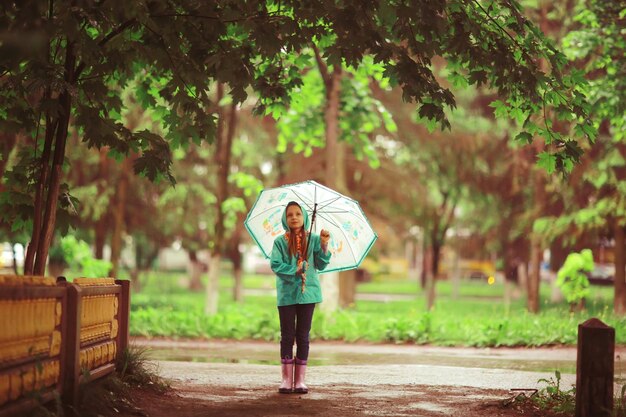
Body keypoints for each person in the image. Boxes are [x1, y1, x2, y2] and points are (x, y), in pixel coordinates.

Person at [270, 201, 331, 394]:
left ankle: (300, 380)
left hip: (308, 293)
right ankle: (287, 379)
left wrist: (323, 244)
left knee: (303, 336)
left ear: (304, 217)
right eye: (290, 215)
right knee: (287, 335)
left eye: (298, 214)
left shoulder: (312, 239)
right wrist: (294, 269)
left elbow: (320, 264)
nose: (294, 217)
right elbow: (276, 265)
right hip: (287, 295)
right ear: (285, 219)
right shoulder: (280, 242)